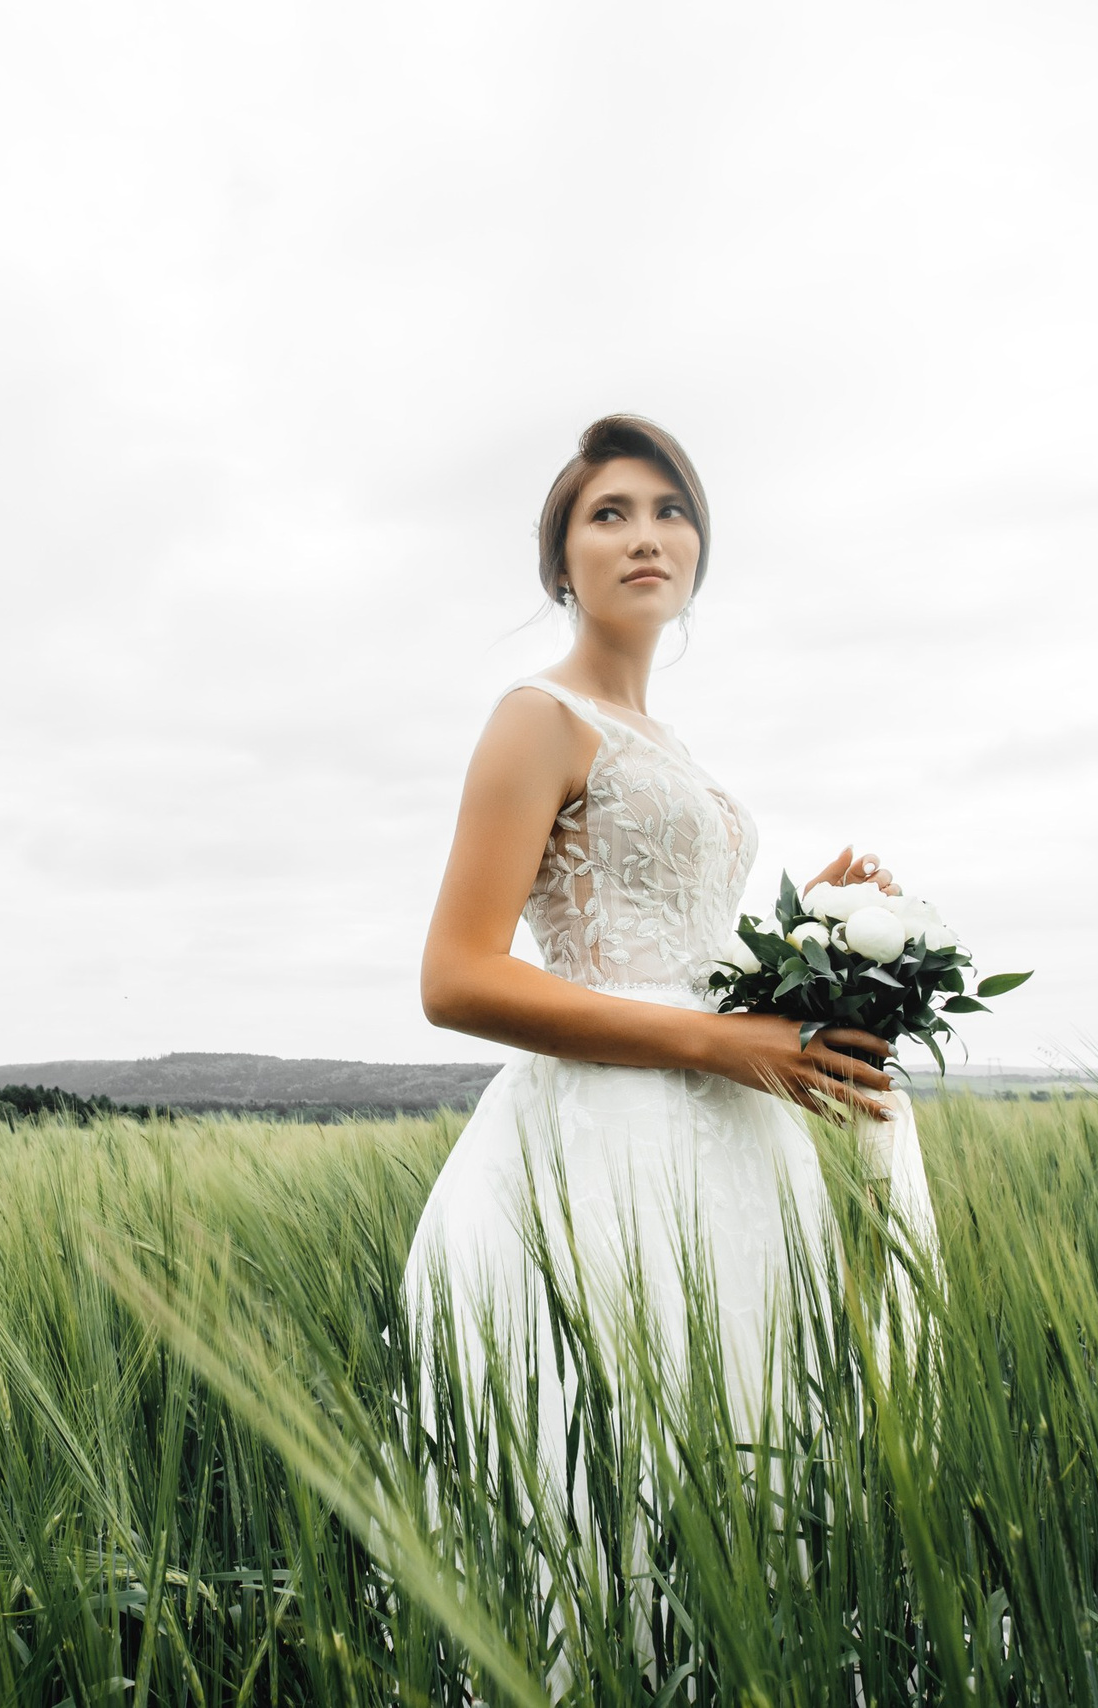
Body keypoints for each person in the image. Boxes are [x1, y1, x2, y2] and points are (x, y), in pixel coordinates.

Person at [401, 413, 940, 1524]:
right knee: (621, 1476)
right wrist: (717, 1041)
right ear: (562, 563)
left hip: (728, 1138)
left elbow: (668, 951)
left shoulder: (668, 744)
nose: (646, 534)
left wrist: (793, 950)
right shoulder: (537, 717)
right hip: (607, 1141)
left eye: (671, 511)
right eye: (611, 514)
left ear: (696, 550)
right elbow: (454, 976)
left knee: (747, 1445)